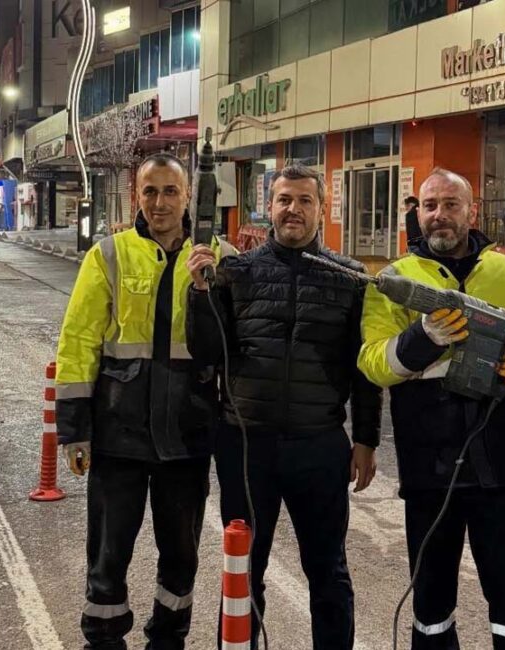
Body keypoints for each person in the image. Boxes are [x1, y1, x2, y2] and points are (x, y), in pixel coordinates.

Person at [358, 168, 505, 650]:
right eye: (430, 206)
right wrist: (420, 339)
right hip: (430, 465)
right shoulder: (394, 281)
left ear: (472, 211)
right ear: (418, 212)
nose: (440, 215)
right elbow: (372, 362)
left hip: (502, 463)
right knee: (431, 605)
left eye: (452, 204)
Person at [185, 164, 382, 649]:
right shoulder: (236, 273)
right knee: (244, 569)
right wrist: (199, 293)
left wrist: (366, 439)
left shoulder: (352, 279)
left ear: (322, 208)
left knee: (328, 570)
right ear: (268, 207)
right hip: (247, 446)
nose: (293, 209)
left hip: (319, 446)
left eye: (304, 200)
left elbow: (365, 368)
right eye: (284, 200)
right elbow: (208, 351)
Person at [54, 153, 236, 650]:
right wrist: (74, 428)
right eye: (150, 192)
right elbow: (78, 341)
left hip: (187, 435)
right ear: (137, 196)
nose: (159, 202)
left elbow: (227, 349)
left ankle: (168, 638)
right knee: (109, 554)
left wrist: (207, 287)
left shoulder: (219, 257)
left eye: (170, 191)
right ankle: (105, 637)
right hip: (120, 436)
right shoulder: (109, 255)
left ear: (188, 197)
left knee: (181, 555)